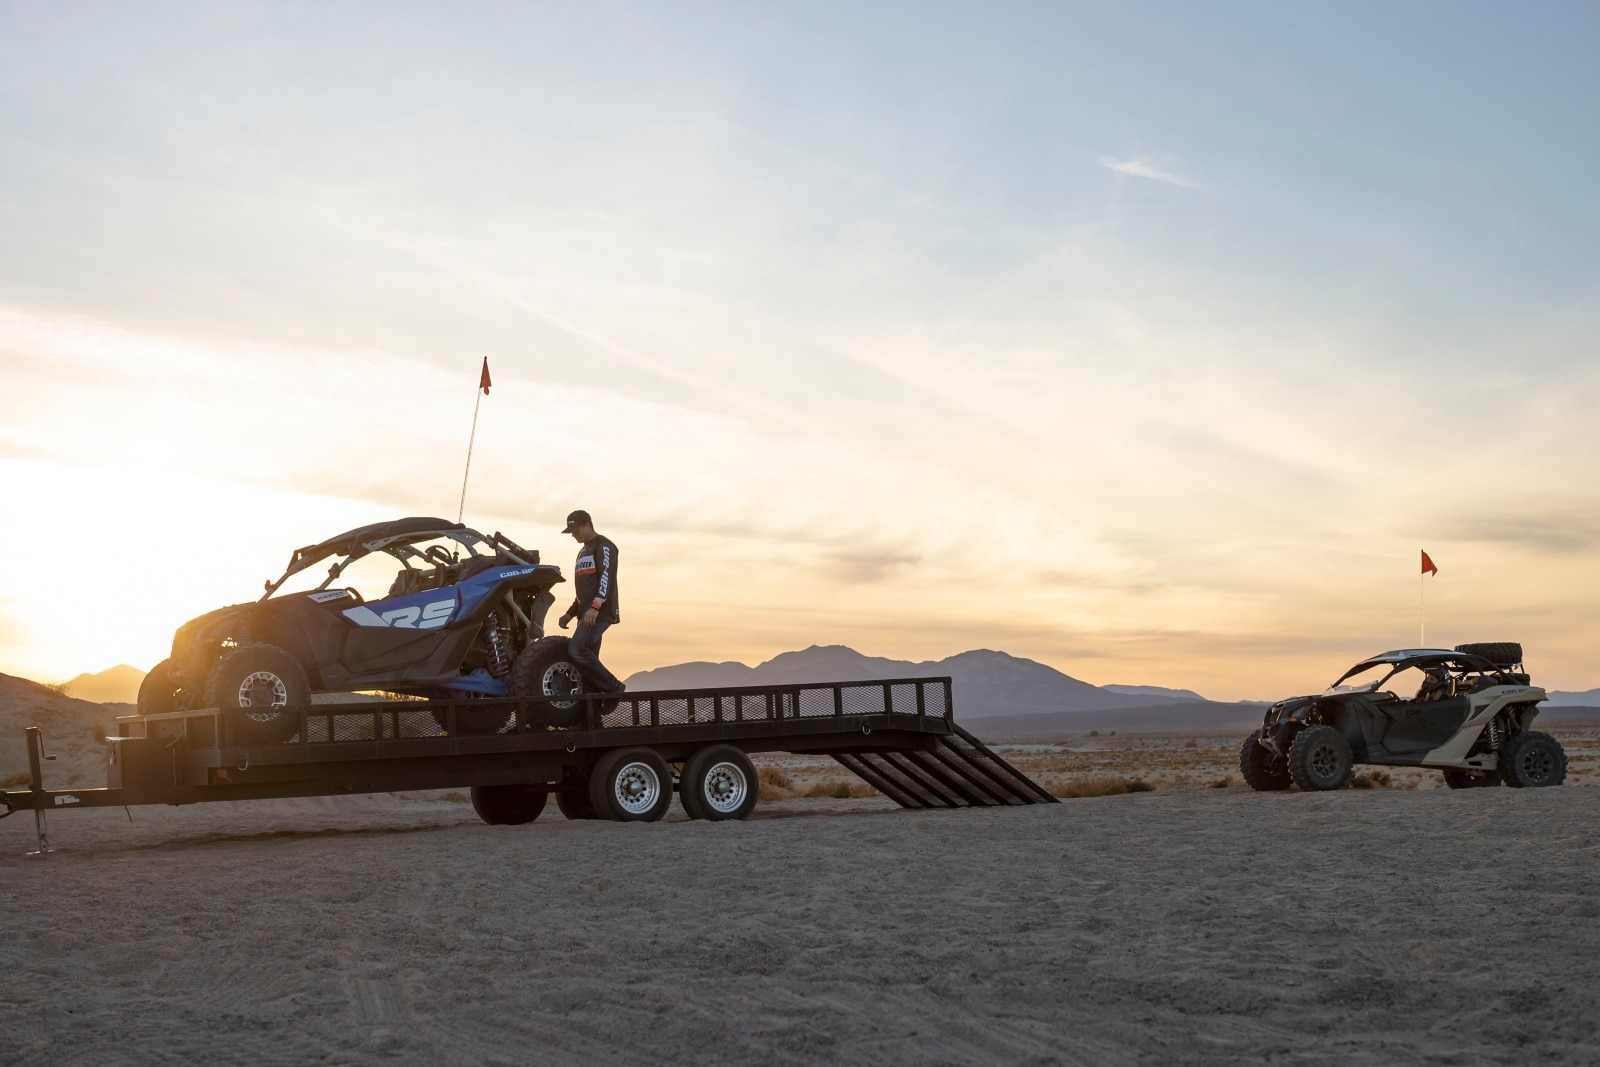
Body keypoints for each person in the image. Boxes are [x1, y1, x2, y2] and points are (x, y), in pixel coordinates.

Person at [557, 510, 624, 694]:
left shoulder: (604, 546)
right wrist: (570, 613)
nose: (573, 535)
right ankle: (594, 711)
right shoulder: (582, 551)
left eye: (575, 530)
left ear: (587, 525)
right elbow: (583, 590)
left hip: (600, 612)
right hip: (586, 612)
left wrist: (595, 607)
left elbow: (605, 577)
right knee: (588, 661)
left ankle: (614, 687)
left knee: (577, 649)